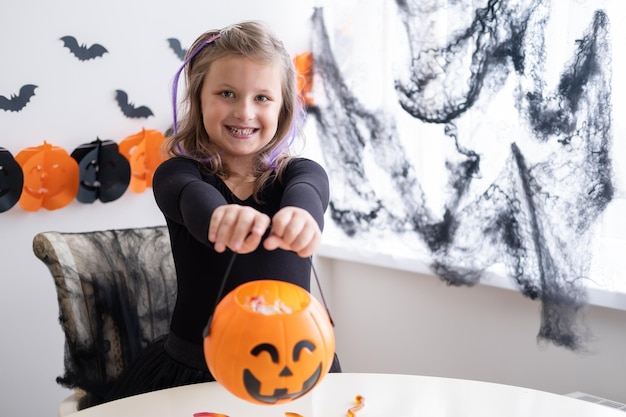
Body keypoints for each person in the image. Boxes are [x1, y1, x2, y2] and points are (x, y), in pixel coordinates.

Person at [103, 20, 341, 404]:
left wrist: (301, 216)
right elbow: (191, 198)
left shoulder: (300, 174)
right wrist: (219, 218)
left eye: (262, 98)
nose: (244, 112)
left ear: (283, 108)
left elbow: (309, 192)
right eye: (227, 93)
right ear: (199, 99)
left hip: (296, 366)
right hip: (195, 371)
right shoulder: (178, 173)